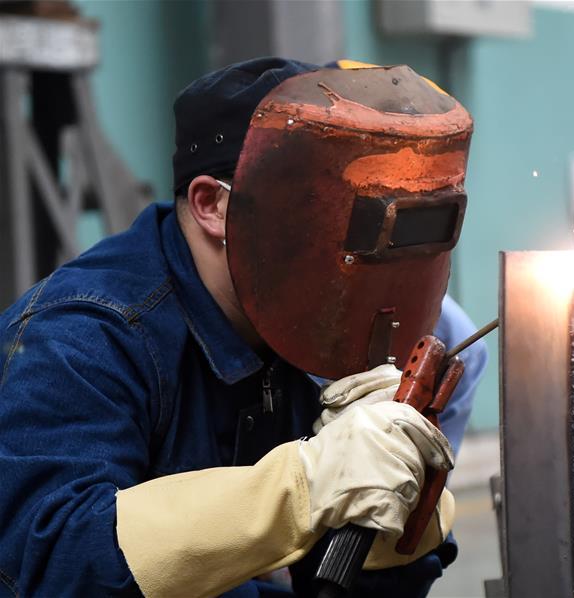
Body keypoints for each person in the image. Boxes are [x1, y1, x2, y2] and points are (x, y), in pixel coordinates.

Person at [0, 57, 486, 597]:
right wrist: (302, 487)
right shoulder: (84, 337)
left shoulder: (304, 329)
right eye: (325, 213)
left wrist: (393, 532)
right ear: (212, 205)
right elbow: (52, 563)